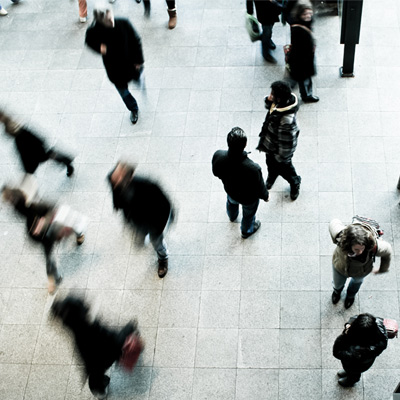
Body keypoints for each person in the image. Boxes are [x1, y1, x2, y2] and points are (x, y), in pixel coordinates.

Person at [52, 295, 142, 399]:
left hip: (94, 362)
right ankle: (132, 329)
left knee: (95, 377)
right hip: (106, 354)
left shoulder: (75, 329)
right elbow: (114, 339)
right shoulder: (93, 327)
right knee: (123, 336)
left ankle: (99, 392)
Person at [2, 186, 87, 293]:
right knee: (49, 254)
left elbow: (51, 209)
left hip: (48, 229)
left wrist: (43, 222)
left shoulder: (35, 207)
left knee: (50, 253)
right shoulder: (26, 211)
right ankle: (54, 278)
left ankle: (53, 279)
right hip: (45, 234)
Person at [108, 162, 174, 278]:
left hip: (153, 221)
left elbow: (165, 203)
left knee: (157, 241)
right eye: (115, 175)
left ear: (130, 177)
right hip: (136, 220)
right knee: (139, 239)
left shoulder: (148, 185)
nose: (115, 179)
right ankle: (145, 240)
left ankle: (162, 258)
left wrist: (161, 225)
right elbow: (116, 195)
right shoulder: (113, 180)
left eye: (119, 177)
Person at [85, 6, 144, 125]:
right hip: (115, 69)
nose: (111, 21)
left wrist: (139, 61)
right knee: (123, 92)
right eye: (108, 20)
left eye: (111, 17)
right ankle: (133, 108)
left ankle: (137, 79)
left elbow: (136, 40)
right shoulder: (95, 31)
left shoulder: (123, 23)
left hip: (130, 63)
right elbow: (89, 40)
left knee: (135, 76)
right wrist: (100, 48)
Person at [212, 127, 269, 239]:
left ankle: (232, 216)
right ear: (245, 144)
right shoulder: (253, 168)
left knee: (231, 203)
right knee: (248, 215)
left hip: (230, 191)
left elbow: (216, 172)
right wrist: (265, 196)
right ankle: (246, 230)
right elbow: (259, 187)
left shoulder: (218, 156)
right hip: (248, 199)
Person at [329, 218, 393, 309]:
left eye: (363, 248)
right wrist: (342, 231)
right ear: (348, 244)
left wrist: (382, 269)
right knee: (337, 283)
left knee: (356, 283)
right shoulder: (341, 237)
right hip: (339, 266)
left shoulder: (373, 245)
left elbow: (388, 250)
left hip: (361, 271)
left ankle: (350, 296)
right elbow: (333, 222)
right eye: (356, 249)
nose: (360, 252)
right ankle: (337, 292)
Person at [256, 80, 301, 200]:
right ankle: (272, 175)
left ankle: (295, 182)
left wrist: (281, 158)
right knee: (270, 163)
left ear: (279, 99)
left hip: (280, 153)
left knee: (286, 170)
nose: (270, 96)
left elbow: (288, 144)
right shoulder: (278, 104)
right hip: (271, 145)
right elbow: (270, 108)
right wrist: (269, 101)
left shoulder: (286, 120)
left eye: (272, 94)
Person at [0, 109, 74, 176]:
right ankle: (66, 160)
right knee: (45, 156)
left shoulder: (17, 134)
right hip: (31, 145)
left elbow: (23, 149)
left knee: (42, 158)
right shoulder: (19, 129)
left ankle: (66, 160)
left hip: (29, 147)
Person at [333, 313, 388, 387]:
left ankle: (350, 381)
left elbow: (337, 353)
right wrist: (348, 324)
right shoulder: (375, 325)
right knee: (350, 370)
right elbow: (355, 318)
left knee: (353, 372)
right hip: (361, 362)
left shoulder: (361, 349)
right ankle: (348, 372)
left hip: (357, 364)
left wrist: (344, 336)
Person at [287, 0, 319, 102]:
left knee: (300, 78)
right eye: (305, 14)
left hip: (304, 58)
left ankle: (303, 93)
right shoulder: (297, 29)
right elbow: (298, 48)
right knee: (302, 78)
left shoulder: (305, 22)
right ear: (299, 14)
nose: (308, 16)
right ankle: (306, 96)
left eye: (310, 13)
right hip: (301, 60)